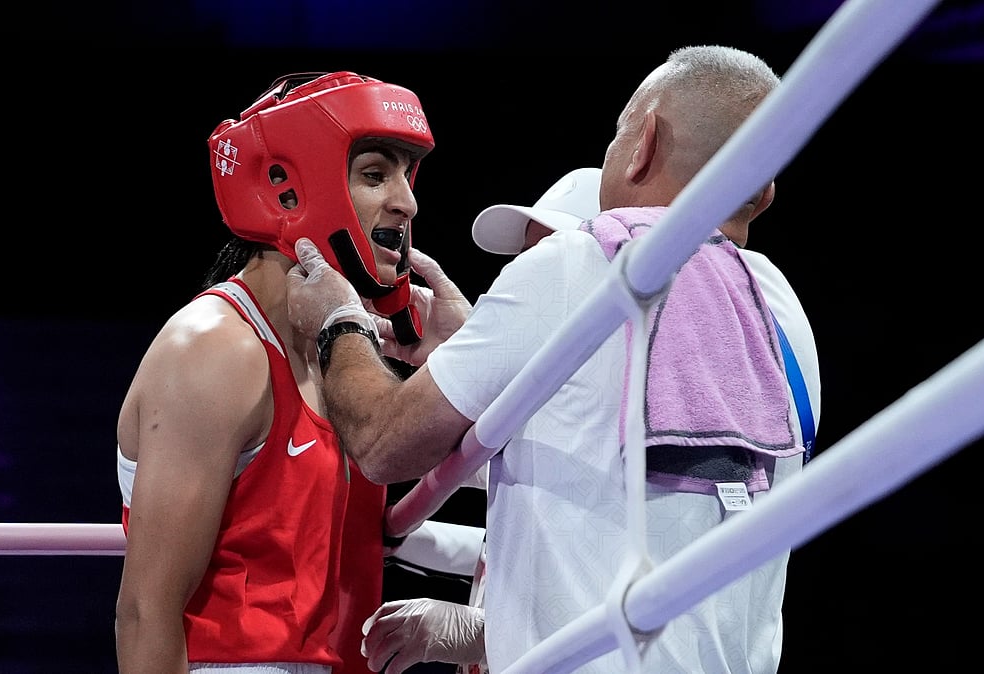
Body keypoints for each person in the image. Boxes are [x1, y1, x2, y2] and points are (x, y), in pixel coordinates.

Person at [286, 45, 821, 674]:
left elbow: (382, 444)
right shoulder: (782, 312)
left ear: (643, 140)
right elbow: (603, 445)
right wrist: (474, 348)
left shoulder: (585, 262)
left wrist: (334, 319)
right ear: (762, 194)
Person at [359, 163, 821, 673]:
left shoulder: (685, 406)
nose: (527, 274)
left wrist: (483, 632)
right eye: (525, 257)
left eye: (547, 254)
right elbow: (542, 517)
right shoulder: (606, 415)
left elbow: (628, 572)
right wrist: (468, 367)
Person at [113, 70, 446, 674]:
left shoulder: (348, 359)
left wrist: (457, 353)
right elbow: (146, 612)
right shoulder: (216, 349)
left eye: (406, 174)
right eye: (375, 174)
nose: (407, 201)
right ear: (287, 190)